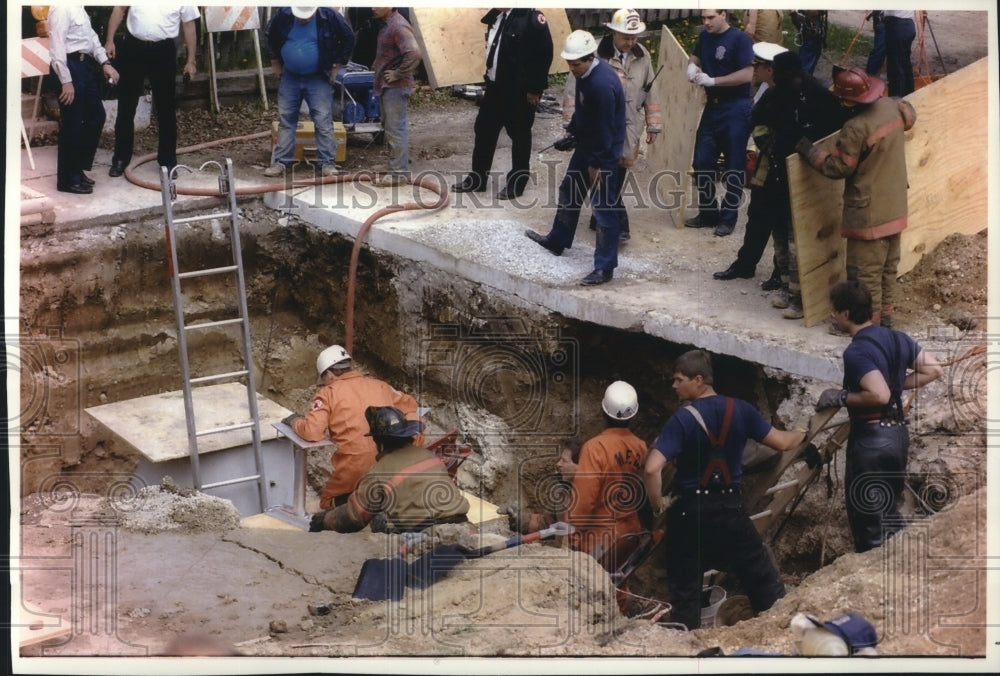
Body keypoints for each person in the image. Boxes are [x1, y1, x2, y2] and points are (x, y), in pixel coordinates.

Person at [644, 349, 805, 630]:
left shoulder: (682, 419)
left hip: (689, 512)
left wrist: (657, 504)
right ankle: (780, 630)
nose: (674, 385)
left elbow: (651, 469)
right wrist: (803, 432)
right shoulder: (741, 409)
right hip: (730, 508)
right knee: (760, 576)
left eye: (679, 380)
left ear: (698, 380)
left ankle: (685, 641)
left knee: (685, 589)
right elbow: (782, 443)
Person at [715, 49, 846, 322]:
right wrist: (770, 146)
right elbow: (757, 124)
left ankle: (800, 297)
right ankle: (785, 286)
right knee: (776, 233)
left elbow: (833, 134)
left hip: (805, 179)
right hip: (772, 175)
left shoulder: (818, 97)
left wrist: (805, 149)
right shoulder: (774, 95)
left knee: (796, 240)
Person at [821, 280, 942, 552]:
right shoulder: (898, 338)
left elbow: (879, 394)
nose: (833, 316)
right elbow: (934, 369)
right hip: (897, 437)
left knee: (869, 524)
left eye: (835, 311)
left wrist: (842, 397)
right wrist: (896, 385)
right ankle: (902, 564)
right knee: (889, 513)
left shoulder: (856, 351)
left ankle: (876, 574)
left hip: (870, 442)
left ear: (846, 314)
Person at [795, 66, 916, 328]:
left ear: (847, 101)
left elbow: (839, 168)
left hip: (868, 215)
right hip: (895, 207)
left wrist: (809, 151)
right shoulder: (892, 107)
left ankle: (867, 326)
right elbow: (910, 114)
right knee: (887, 269)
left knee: (864, 275)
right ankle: (886, 318)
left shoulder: (855, 128)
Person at [524, 30, 626, 286]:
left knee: (603, 209)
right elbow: (584, 110)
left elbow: (606, 128)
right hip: (589, 145)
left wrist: (597, 163)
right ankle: (557, 240)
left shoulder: (602, 85)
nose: (572, 68)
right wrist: (572, 133)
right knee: (569, 190)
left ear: (590, 58)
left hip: (603, 152)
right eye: (569, 63)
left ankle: (605, 268)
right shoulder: (584, 74)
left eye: (576, 64)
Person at [562, 9, 662, 242]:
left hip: (629, 125)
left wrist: (653, 125)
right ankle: (616, 225)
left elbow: (651, 90)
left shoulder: (642, 55)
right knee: (602, 175)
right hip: (599, 126)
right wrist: (570, 126)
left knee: (617, 172)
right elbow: (573, 90)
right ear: (614, 33)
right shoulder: (592, 55)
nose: (631, 42)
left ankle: (601, 218)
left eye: (634, 37)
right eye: (626, 37)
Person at [282, 344, 421, 510]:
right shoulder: (380, 385)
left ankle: (362, 503)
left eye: (324, 378)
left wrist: (295, 421)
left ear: (329, 373)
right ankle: (379, 499)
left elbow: (312, 432)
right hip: (391, 459)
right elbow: (411, 406)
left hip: (355, 465)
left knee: (327, 501)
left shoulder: (328, 393)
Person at [309, 406, 470, 533]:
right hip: (463, 526)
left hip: (428, 535)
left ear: (377, 440)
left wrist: (324, 520)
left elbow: (354, 517)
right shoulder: (429, 456)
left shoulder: (379, 473)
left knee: (381, 521)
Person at [452, 8, 553, 199]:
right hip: (495, 87)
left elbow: (544, 55)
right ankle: (478, 178)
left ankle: (517, 183)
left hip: (519, 91)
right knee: (483, 130)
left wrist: (535, 88)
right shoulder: (497, 17)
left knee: (520, 136)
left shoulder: (530, 19)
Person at [683, 9, 754, 237]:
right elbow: (696, 56)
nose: (706, 22)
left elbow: (748, 74)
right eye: (703, 18)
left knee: (734, 165)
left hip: (735, 107)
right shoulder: (705, 36)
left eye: (711, 17)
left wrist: (714, 81)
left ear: (724, 14)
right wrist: (692, 65)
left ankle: (728, 218)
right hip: (712, 107)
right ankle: (708, 213)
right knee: (702, 161)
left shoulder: (740, 39)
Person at [105, 6, 199, 176]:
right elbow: (119, 8)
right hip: (134, 48)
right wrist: (110, 40)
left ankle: (168, 162)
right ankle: (120, 159)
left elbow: (189, 24)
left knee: (166, 108)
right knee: (126, 105)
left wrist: (191, 60)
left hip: (163, 51)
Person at [264, 6, 355, 178]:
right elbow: (270, 34)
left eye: (306, 16)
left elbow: (348, 37)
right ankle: (281, 161)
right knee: (286, 119)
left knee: (322, 120)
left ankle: (327, 162)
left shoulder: (329, 16)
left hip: (318, 76)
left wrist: (338, 64)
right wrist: (274, 59)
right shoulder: (284, 14)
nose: (303, 19)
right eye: (300, 16)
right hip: (290, 75)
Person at [565, 381, 648, 568]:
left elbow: (584, 499)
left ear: (603, 411)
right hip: (631, 533)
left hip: (601, 538)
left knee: (588, 583)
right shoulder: (641, 447)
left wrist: (573, 537)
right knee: (618, 580)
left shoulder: (595, 448)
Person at [47, 5, 120, 194]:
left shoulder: (79, 7)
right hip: (68, 66)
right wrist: (66, 80)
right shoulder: (61, 8)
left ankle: (77, 169)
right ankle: (67, 180)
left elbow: (91, 39)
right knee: (72, 123)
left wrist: (105, 62)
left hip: (83, 66)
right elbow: (57, 46)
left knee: (96, 116)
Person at [371, 7, 422, 187]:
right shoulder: (386, 24)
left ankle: (399, 173)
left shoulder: (397, 25)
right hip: (389, 87)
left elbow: (414, 53)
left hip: (396, 87)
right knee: (391, 128)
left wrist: (398, 73)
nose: (373, 7)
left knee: (395, 129)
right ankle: (395, 165)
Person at [883, 10, 916, 97]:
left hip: (897, 24)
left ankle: (896, 98)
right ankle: (909, 94)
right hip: (908, 24)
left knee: (895, 66)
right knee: (905, 63)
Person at [790, 10, 827, 76]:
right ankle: (803, 79)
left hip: (817, 31)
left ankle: (806, 78)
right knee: (805, 65)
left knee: (812, 60)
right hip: (809, 33)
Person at [864, 10, 887, 77]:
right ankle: (870, 76)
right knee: (880, 51)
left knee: (882, 50)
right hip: (883, 22)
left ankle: (873, 75)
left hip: (885, 22)